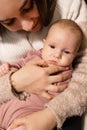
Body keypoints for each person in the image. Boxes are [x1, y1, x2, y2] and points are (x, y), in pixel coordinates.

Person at [0, 0, 87, 130]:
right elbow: (16, 66)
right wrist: (13, 80)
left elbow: (82, 82)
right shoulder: (34, 55)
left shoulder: (70, 5)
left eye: (28, 8)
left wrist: (50, 116)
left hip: (34, 115)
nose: (28, 26)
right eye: (9, 22)